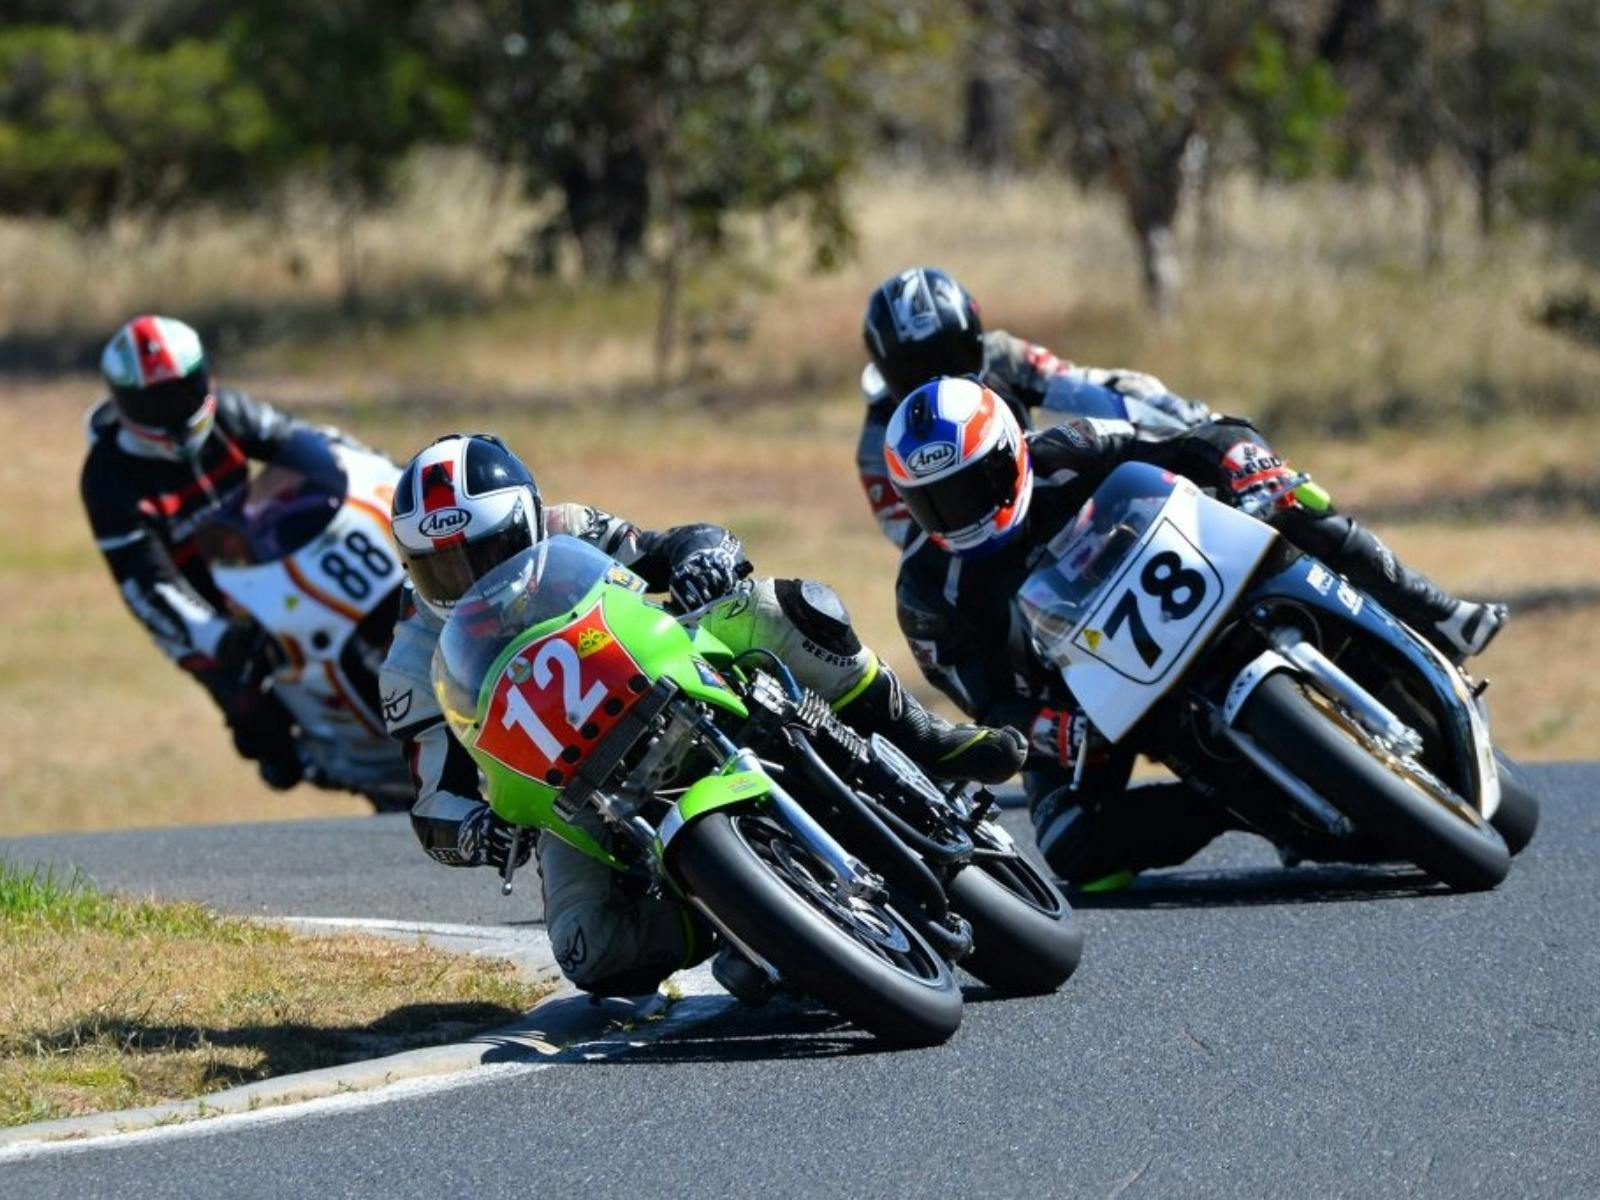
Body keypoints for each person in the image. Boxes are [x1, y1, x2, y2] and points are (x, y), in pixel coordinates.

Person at [377, 433, 1025, 998]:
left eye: (485, 555)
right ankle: (740, 921)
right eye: (442, 570)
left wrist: (702, 561)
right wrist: (474, 834)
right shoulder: (408, 664)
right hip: (574, 789)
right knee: (590, 949)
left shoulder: (567, 527)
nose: (469, 584)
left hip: (659, 680)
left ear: (526, 523)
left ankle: (923, 736)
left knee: (781, 606)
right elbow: (435, 799)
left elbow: (676, 543)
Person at [882, 376, 1509, 890]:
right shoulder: (926, 593)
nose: (961, 512)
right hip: (1080, 691)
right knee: (1075, 849)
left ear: (1010, 451)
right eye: (936, 501)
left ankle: (1435, 612)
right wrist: (1048, 726)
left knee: (1295, 502)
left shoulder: (1070, 448)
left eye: (972, 486)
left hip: (1192, 568)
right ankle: (1242, 802)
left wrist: (1243, 463)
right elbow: (988, 704)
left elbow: (1196, 437)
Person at [81, 314, 327, 790]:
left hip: (259, 561)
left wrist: (391, 481)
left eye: (180, 390)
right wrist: (215, 635)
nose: (171, 411)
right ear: (121, 400)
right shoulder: (107, 478)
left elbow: (311, 450)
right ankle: (286, 750)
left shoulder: (230, 414)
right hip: (186, 599)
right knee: (250, 702)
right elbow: (145, 581)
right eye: (151, 401)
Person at [857, 266, 1211, 545]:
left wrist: (1174, 411)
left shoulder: (1002, 355)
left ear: (973, 334)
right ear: (889, 374)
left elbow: (1079, 383)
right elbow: (907, 535)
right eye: (915, 370)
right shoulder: (880, 443)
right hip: (981, 552)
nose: (940, 381)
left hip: (1051, 495)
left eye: (949, 356)